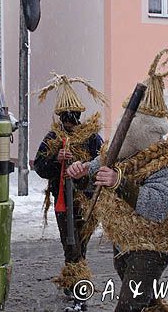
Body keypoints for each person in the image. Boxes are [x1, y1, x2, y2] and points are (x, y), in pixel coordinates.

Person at [67, 49, 168, 312]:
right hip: (125, 241)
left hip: (151, 246)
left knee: (130, 305)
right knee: (145, 300)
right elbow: (95, 174)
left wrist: (119, 182)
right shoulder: (125, 156)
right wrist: (81, 174)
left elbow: (157, 207)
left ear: (145, 133)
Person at [33, 74, 105, 312]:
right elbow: (40, 167)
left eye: (73, 116)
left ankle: (77, 283)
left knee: (80, 245)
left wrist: (85, 168)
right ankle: (76, 286)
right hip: (63, 202)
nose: (70, 121)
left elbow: (104, 161)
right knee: (70, 245)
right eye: (67, 117)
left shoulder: (92, 137)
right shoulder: (53, 138)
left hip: (87, 201)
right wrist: (57, 160)